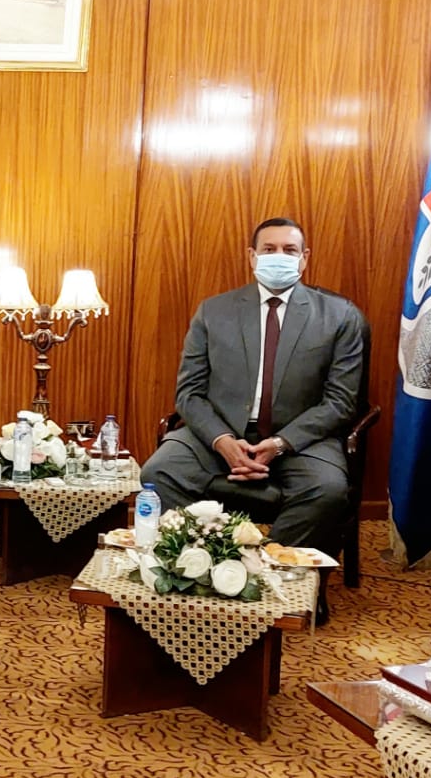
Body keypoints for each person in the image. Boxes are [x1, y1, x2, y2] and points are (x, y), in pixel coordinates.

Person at [140, 218, 367, 621]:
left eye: (289, 250)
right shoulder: (214, 311)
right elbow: (189, 393)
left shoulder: (339, 315)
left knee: (328, 491)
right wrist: (222, 440)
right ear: (252, 256)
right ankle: (201, 569)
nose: (279, 257)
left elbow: (340, 402)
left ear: (304, 259)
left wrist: (279, 444)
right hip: (218, 433)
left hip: (301, 440)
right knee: (159, 473)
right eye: (269, 249)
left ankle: (271, 580)